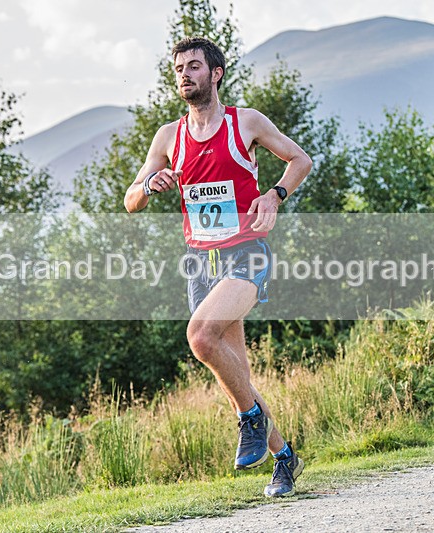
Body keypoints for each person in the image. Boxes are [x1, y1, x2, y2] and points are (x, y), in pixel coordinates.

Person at [124, 37, 312, 497]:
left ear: (216, 73)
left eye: (194, 66)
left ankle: (250, 421)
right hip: (200, 262)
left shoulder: (244, 122)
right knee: (237, 378)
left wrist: (274, 194)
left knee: (200, 336)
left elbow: (300, 160)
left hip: (246, 252)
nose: (184, 74)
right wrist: (150, 181)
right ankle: (285, 458)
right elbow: (131, 201)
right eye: (178, 69)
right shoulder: (169, 137)